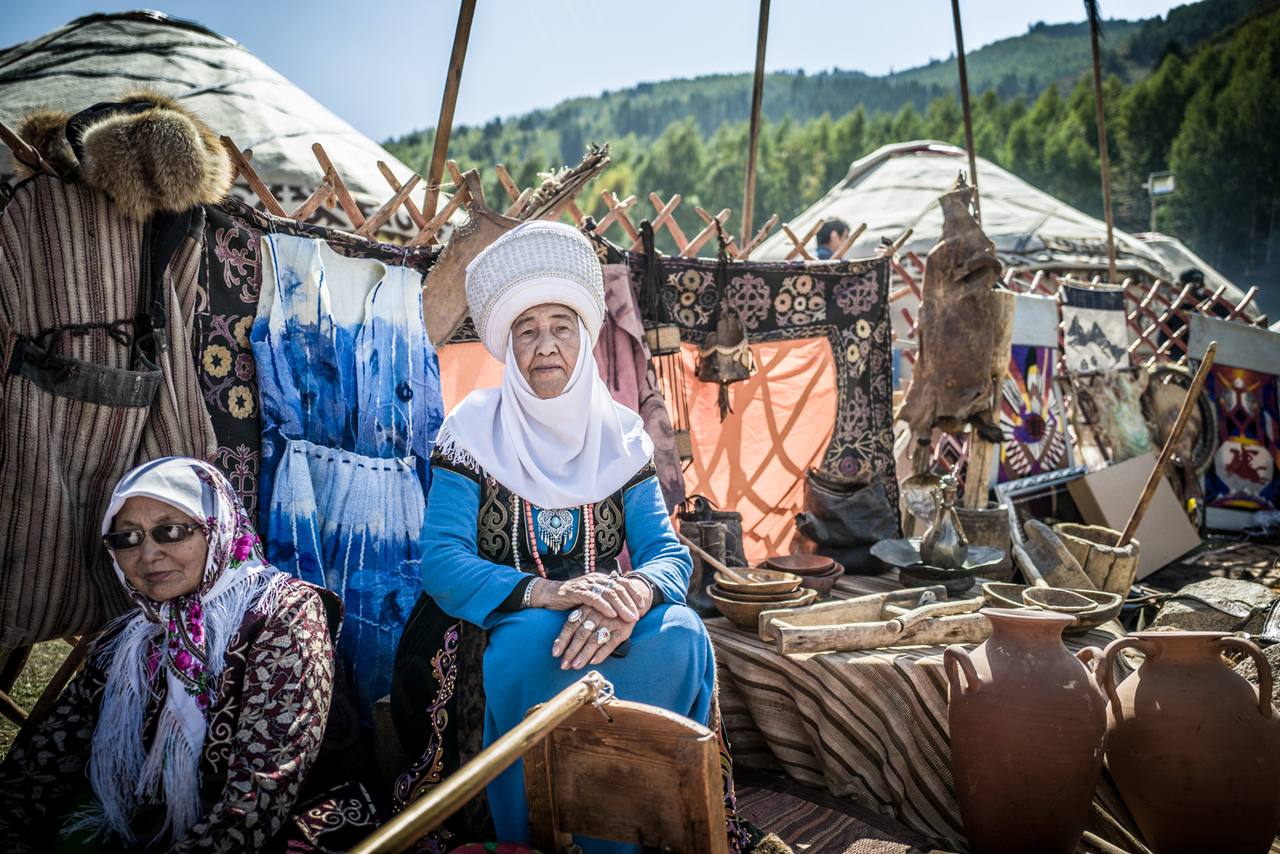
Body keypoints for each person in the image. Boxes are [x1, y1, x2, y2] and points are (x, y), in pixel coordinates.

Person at [408, 221, 717, 850]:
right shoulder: (472, 431)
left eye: (560, 327)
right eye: (527, 331)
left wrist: (632, 601)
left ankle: (646, 826)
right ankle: (539, 835)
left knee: (683, 635)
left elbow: (666, 554)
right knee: (529, 648)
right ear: (508, 347)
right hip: (496, 616)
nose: (545, 346)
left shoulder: (623, 435)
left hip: (607, 613)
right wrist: (546, 594)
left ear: (584, 337)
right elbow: (442, 559)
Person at [0, 458, 358, 853]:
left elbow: (263, 789)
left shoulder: (284, 612)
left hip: (285, 831)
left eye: (170, 531)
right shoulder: (126, 639)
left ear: (217, 527)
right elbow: (41, 764)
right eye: (127, 539)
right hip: (150, 833)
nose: (149, 554)